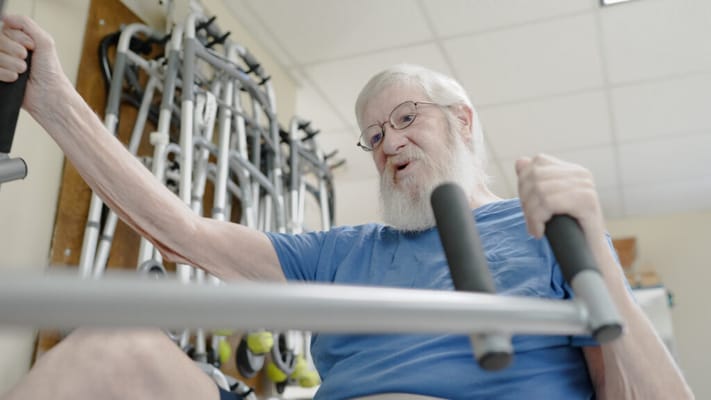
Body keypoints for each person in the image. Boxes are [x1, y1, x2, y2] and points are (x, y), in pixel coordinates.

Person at [0, 14, 694, 400]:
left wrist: (592, 238)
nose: (387, 142)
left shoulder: (546, 230)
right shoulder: (344, 251)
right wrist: (53, 99)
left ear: (463, 119)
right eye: (371, 135)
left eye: (405, 118)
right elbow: (181, 233)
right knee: (109, 348)